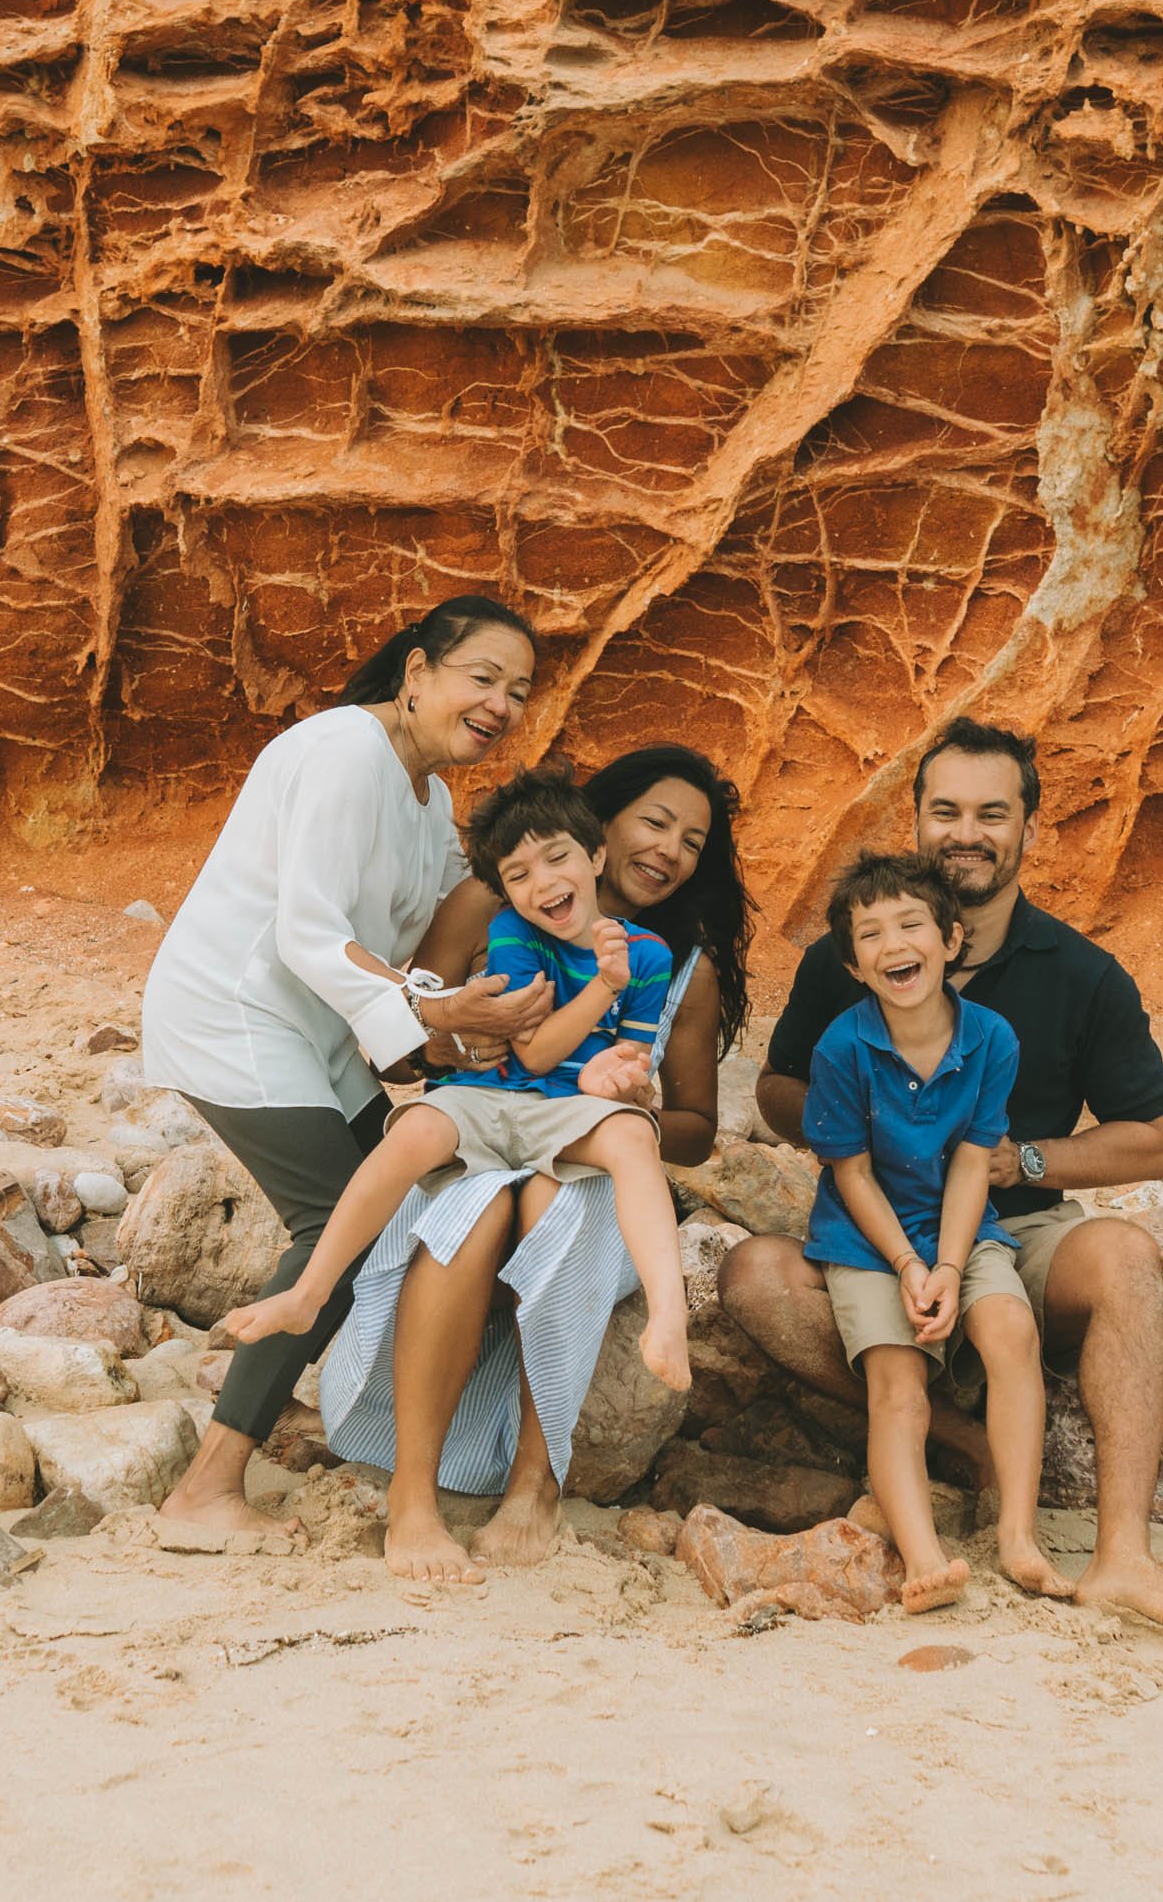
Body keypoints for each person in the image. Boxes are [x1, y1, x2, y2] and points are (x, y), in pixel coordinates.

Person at [720, 716, 1163, 1632]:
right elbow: (773, 1089)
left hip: (1014, 1232)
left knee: (1123, 1256)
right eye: (945, 810)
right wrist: (859, 1135)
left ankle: (1123, 1556)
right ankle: (969, 1449)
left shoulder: (1081, 974)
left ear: (1031, 830)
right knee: (753, 1274)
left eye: (992, 813)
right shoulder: (848, 958)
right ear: (915, 821)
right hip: (873, 1229)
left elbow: (1150, 1140)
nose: (966, 832)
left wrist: (1022, 1159)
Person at [141, 594, 550, 1538]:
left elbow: (447, 931)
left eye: (519, 692)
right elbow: (308, 932)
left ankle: (398, 1433)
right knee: (338, 1222)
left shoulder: (430, 800)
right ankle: (206, 1488)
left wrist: (490, 1015)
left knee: (431, 1191)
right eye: (482, 677)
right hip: (234, 1013)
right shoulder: (341, 749)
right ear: (416, 672)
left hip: (318, 1034)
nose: (501, 704)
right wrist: (436, 1012)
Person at [317, 745, 752, 1583]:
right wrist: (461, 1035)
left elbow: (696, 1133)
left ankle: (535, 1480)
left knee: (560, 1203)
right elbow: (405, 1022)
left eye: (693, 841)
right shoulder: (495, 895)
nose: (670, 851)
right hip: (480, 1133)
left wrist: (640, 1099)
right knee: (470, 1209)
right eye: (655, 823)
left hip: (587, 1155)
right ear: (599, 828)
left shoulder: (678, 966)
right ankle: (412, 1497)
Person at [223, 769, 691, 1392]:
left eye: (558, 859)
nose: (544, 883)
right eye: (519, 876)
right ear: (502, 889)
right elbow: (537, 1054)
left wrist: (620, 1077)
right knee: (414, 1129)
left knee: (635, 1141)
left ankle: (668, 1316)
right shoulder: (513, 935)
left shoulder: (651, 954)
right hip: (492, 1093)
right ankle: (309, 1294)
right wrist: (604, 984)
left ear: (596, 856)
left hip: (571, 1108)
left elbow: (630, 1055)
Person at [807, 851, 1072, 1613]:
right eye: (870, 934)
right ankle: (923, 1558)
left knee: (1009, 1330)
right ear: (854, 966)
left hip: (959, 1225)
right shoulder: (841, 1048)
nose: (894, 944)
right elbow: (851, 1174)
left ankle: (1017, 1536)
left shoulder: (990, 1038)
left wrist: (950, 1268)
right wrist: (903, 1264)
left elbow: (970, 1161)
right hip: (865, 1237)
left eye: (910, 924)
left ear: (951, 940)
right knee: (898, 1384)